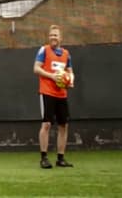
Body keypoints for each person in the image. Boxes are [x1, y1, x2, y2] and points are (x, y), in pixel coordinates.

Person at [33, 24, 75, 169]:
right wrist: (52, 76)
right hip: (47, 92)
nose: (53, 38)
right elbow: (36, 68)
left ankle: (60, 158)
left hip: (61, 94)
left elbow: (70, 71)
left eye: (55, 35)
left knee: (64, 125)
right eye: (51, 35)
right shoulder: (43, 50)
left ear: (60, 38)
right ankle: (44, 158)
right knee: (46, 124)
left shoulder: (66, 54)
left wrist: (70, 80)